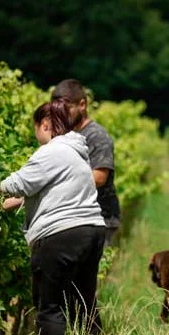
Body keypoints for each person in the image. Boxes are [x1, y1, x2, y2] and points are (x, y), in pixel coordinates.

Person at [0, 99, 106, 335]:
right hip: (90, 231)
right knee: (83, 302)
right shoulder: (77, 152)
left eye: (36, 128)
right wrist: (23, 202)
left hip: (61, 236)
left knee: (49, 307)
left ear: (44, 124)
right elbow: (60, 191)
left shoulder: (52, 151)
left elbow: (17, 182)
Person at [52, 79, 121, 247]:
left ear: (82, 105)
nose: (60, 114)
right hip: (77, 219)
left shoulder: (97, 136)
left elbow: (99, 177)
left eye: (66, 108)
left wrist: (56, 184)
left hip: (100, 220)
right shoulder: (65, 135)